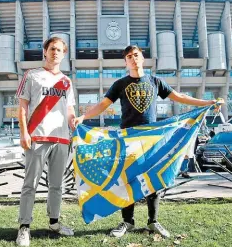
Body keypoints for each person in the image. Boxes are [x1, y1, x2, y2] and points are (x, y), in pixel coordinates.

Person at [73, 45, 223, 239]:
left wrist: (207, 103)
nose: (133, 59)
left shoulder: (155, 81)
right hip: (128, 138)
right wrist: (83, 117)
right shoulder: (120, 84)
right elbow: (103, 105)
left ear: (142, 58)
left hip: (152, 138)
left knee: (152, 179)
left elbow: (179, 97)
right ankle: (127, 222)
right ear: (125, 62)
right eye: (129, 57)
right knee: (127, 179)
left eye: (136, 55)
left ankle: (153, 221)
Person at [15, 37, 76, 246]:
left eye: (59, 50)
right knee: (29, 184)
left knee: (57, 185)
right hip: (37, 137)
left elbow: (69, 110)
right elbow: (22, 107)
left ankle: (54, 222)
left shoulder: (67, 82)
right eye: (52, 49)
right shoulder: (31, 75)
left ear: (64, 54)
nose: (55, 53)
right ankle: (24, 227)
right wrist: (24, 133)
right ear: (45, 51)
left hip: (61, 139)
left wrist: (74, 122)